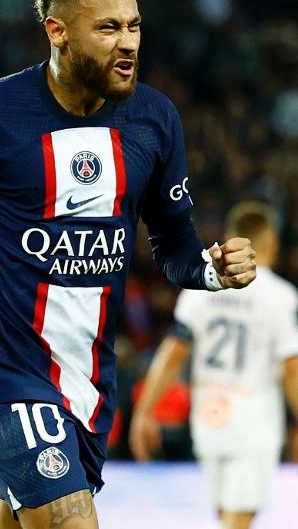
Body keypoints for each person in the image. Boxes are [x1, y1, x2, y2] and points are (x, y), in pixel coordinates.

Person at [0, 0, 256, 529]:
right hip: (3, 367)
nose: (128, 42)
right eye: (107, 28)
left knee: (26, 516)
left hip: (87, 377)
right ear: (56, 32)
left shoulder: (154, 120)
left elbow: (176, 246)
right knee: (69, 520)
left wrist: (211, 268)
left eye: (133, 25)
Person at [129, 201, 298, 529]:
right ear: (270, 243)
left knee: (227, 515)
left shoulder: (202, 288)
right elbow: (291, 369)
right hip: (254, 422)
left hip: (208, 420)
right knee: (237, 519)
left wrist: (144, 411)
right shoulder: (282, 296)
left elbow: (173, 353)